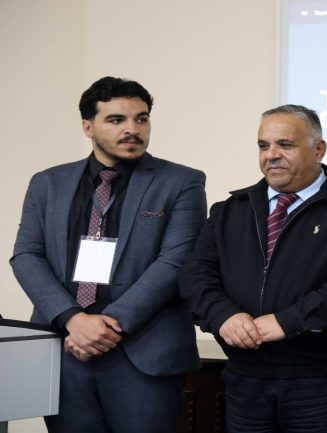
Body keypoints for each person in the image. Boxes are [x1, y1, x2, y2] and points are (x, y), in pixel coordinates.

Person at [10, 76, 207, 432]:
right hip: (65, 348)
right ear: (88, 126)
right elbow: (26, 255)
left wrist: (105, 326)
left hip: (143, 351)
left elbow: (175, 260)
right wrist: (73, 320)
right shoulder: (48, 183)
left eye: (141, 119)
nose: (133, 129)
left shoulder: (182, 181)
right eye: (117, 120)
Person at [178, 104, 327, 433]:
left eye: (285, 145)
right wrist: (223, 316)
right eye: (264, 145)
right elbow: (195, 275)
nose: (271, 155)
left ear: (319, 150)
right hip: (246, 379)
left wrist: (287, 322)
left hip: (326, 384)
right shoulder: (230, 211)